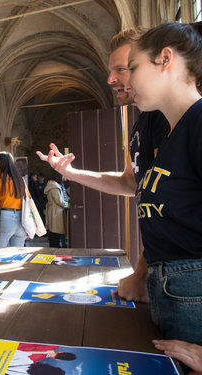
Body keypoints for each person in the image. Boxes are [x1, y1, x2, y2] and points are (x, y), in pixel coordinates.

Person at [36, 28, 170, 303]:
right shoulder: (143, 121)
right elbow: (130, 183)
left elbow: (169, 206)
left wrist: (141, 274)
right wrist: (71, 172)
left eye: (124, 68)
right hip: (163, 270)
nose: (111, 79)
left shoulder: (173, 118)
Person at [123, 22, 202, 346]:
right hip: (172, 290)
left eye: (133, 67)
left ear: (165, 59)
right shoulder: (173, 132)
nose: (128, 81)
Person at [0, 152, 26, 247]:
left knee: (0, 252)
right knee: (18, 254)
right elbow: (27, 200)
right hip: (21, 219)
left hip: (5, 217)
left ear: (0, 163)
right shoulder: (21, 180)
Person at [44, 170, 68, 248]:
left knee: (55, 232)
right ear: (59, 176)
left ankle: (55, 248)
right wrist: (69, 205)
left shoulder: (55, 185)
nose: (65, 178)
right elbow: (59, 201)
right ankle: (54, 250)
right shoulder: (54, 187)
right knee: (55, 233)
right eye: (64, 175)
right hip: (55, 212)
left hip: (55, 211)